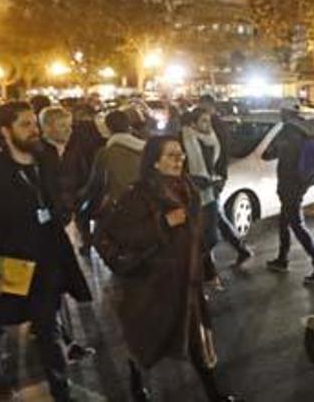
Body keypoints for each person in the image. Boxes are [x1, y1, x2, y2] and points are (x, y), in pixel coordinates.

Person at [94, 136, 242, 402]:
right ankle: (137, 384)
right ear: (154, 162)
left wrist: (208, 270)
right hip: (152, 285)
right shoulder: (138, 194)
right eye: (171, 155)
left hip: (186, 282)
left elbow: (195, 238)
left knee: (197, 340)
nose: (179, 159)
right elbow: (119, 234)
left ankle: (214, 394)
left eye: (181, 154)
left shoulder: (188, 189)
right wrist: (163, 223)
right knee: (147, 341)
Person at [0, 102, 92, 401]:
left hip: (45, 263)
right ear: (5, 131)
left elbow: (53, 200)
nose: (34, 130)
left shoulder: (44, 162)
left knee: (49, 329)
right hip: (7, 261)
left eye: (34, 123)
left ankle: (61, 391)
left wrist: (61, 214)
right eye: (25, 125)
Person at [37, 105, 96, 364]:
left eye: (69, 125)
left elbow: (83, 178)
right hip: (45, 226)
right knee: (53, 281)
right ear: (47, 127)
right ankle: (63, 341)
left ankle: (53, 332)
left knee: (56, 281)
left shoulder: (72, 150)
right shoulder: (39, 155)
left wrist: (78, 203)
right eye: (62, 126)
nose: (69, 131)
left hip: (65, 219)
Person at [182, 107, 253, 283]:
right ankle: (206, 271)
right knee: (208, 231)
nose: (208, 124)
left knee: (211, 232)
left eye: (209, 120)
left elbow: (221, 162)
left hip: (211, 189)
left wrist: (220, 180)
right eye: (203, 121)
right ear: (193, 123)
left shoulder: (214, 138)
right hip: (194, 191)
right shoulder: (186, 139)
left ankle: (207, 270)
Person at [262, 104, 314, 283]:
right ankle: (282, 259)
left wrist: (272, 152)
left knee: (297, 225)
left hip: (291, 186)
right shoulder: (304, 128)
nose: (280, 114)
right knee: (284, 222)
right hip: (298, 184)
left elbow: (280, 156)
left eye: (281, 111)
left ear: (285, 113)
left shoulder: (289, 132)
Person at [196, 95, 253, 267]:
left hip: (213, 178)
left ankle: (207, 264)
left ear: (210, 106)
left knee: (209, 218)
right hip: (213, 177)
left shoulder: (215, 127)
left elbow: (219, 154)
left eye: (202, 107)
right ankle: (240, 250)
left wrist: (218, 177)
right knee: (216, 216)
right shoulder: (213, 125)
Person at [60, 104, 106, 255]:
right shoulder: (100, 130)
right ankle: (100, 242)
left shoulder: (74, 134)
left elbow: (70, 159)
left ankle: (86, 242)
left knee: (82, 214)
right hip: (100, 178)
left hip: (80, 180)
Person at [83, 110, 145, 216]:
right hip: (144, 206)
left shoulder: (105, 153)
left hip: (119, 208)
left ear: (108, 129)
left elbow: (95, 184)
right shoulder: (146, 149)